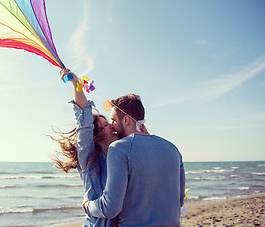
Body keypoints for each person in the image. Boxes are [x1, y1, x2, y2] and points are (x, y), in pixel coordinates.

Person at [82, 94, 186, 226]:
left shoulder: (119, 148)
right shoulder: (173, 149)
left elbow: (110, 208)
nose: (112, 126)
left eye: (113, 120)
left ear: (126, 120)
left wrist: (87, 205)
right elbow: (180, 200)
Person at [51, 69, 118, 227]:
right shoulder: (89, 158)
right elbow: (85, 122)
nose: (111, 126)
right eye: (104, 126)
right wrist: (76, 84)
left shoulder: (122, 154)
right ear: (96, 136)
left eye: (108, 123)